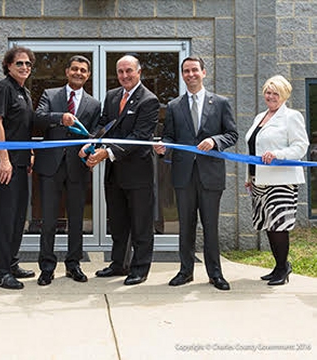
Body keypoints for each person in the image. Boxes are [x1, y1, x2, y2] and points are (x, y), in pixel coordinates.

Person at [154, 56, 238, 291]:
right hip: (183, 175)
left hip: (210, 175)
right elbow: (169, 136)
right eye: (186, 71)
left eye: (194, 70)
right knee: (186, 226)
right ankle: (185, 271)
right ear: (182, 75)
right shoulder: (173, 106)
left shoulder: (220, 103)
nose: (190, 74)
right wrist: (163, 146)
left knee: (210, 226)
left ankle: (216, 274)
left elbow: (232, 134)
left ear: (204, 72)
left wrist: (214, 140)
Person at [83, 55, 159, 286]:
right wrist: (90, 144)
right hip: (114, 173)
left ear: (139, 72)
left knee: (141, 224)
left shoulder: (149, 100)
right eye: (120, 72)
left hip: (138, 174)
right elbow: (104, 124)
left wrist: (107, 152)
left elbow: (140, 137)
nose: (124, 76)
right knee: (118, 222)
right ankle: (119, 264)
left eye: (129, 71)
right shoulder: (112, 96)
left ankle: (139, 268)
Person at [34, 55, 101, 286]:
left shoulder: (94, 104)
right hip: (50, 167)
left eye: (83, 70)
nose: (78, 73)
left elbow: (95, 134)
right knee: (49, 220)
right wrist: (60, 119)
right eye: (75, 69)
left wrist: (89, 147)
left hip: (77, 168)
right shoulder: (50, 95)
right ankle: (46, 267)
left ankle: (74, 265)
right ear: (67, 72)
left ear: (88, 75)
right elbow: (38, 118)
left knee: (76, 220)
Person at [244, 75, 309, 286]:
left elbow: (301, 147)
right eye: (268, 92)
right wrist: (249, 176)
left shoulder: (291, 117)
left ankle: (283, 267)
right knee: (268, 225)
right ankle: (279, 265)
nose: (270, 97)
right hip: (260, 180)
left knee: (279, 225)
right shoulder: (259, 117)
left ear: (284, 95)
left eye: (275, 93)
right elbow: (253, 149)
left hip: (281, 181)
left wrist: (278, 154)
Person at [0, 46, 36, 290]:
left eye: (28, 64)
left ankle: (11, 262)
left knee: (18, 217)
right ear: (8, 65)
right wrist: (4, 159)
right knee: (5, 218)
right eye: (20, 63)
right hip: (5, 165)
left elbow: (23, 128)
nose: (25, 67)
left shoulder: (24, 92)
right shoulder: (3, 88)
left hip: (20, 164)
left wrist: (28, 153)